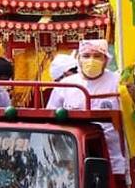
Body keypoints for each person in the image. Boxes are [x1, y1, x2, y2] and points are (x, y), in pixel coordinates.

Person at [46, 40, 127, 176]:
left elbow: (134, 115)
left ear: (106, 60)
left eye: (97, 56)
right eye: (87, 56)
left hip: (113, 161)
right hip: (74, 161)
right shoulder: (66, 85)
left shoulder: (118, 82)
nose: (91, 60)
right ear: (79, 59)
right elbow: (50, 121)